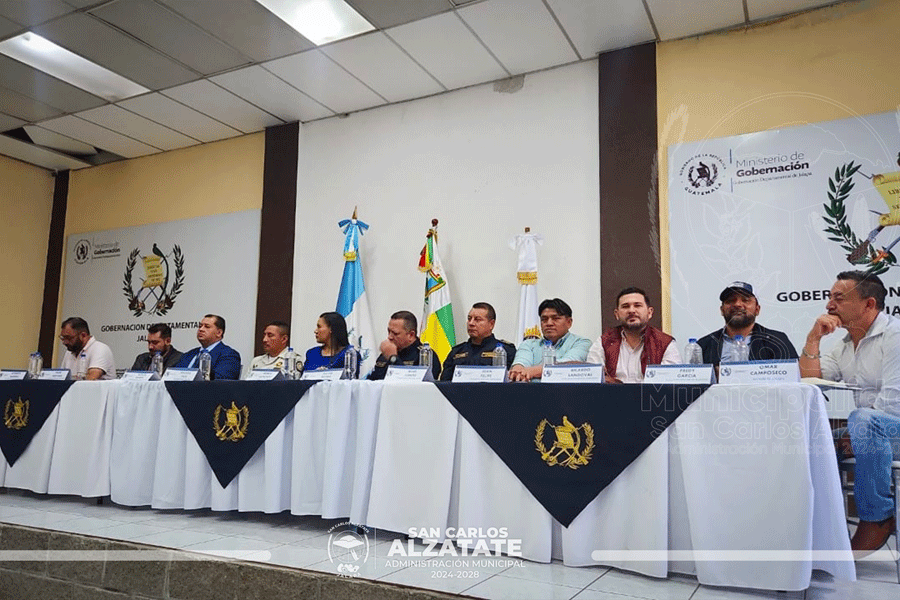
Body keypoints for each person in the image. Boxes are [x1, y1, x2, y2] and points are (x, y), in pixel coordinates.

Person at [799, 271, 900, 555]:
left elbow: (894, 402)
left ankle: (878, 516)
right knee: (813, 440)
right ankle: (824, 527)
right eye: (829, 297)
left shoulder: (895, 335)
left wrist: (857, 436)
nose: (829, 305)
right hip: (870, 432)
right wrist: (813, 339)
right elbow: (810, 382)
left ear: (869, 304)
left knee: (862, 420)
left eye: (839, 298)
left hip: (889, 426)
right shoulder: (844, 345)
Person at [586, 287, 681, 383]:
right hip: (612, 393)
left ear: (649, 312)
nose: (631, 310)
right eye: (625, 306)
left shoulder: (665, 343)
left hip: (651, 393)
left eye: (637, 305)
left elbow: (670, 382)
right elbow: (593, 379)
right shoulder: (603, 342)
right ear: (617, 314)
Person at [696, 281, 797, 366]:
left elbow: (792, 378)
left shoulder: (777, 340)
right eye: (730, 301)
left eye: (745, 300)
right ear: (722, 310)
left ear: (757, 309)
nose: (737, 304)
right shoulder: (703, 345)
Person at [508, 298, 591, 382]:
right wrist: (518, 371)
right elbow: (520, 363)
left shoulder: (582, 343)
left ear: (569, 322)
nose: (549, 323)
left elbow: (566, 365)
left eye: (555, 318)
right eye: (544, 319)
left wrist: (532, 372)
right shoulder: (528, 344)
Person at [439, 302, 516, 381]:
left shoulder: (505, 351)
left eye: (477, 320)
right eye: (469, 319)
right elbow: (444, 383)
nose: (471, 323)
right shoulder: (457, 352)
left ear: (491, 324)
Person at [368, 311, 440, 381]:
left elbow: (415, 384)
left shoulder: (425, 355)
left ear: (411, 335)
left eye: (395, 333)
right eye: (389, 331)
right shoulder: (386, 354)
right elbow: (374, 381)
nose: (390, 337)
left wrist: (393, 358)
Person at [175, 314, 241, 380]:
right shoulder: (188, 355)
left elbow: (221, 381)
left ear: (219, 333)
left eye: (207, 327)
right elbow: (174, 376)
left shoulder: (229, 355)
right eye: (200, 326)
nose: (201, 329)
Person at [305, 311, 359, 376]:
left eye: (319, 327)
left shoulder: (349, 354)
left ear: (331, 329)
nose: (315, 331)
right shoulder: (312, 354)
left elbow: (351, 378)